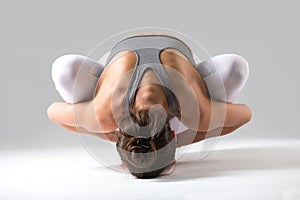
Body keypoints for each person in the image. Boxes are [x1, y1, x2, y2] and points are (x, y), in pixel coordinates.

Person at [47, 34, 252, 178]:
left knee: (236, 68)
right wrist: (116, 136)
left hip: (160, 70)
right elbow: (52, 111)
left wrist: (177, 141)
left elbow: (246, 114)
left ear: (171, 133)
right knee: (65, 69)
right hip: (142, 64)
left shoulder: (194, 111)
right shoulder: (105, 114)